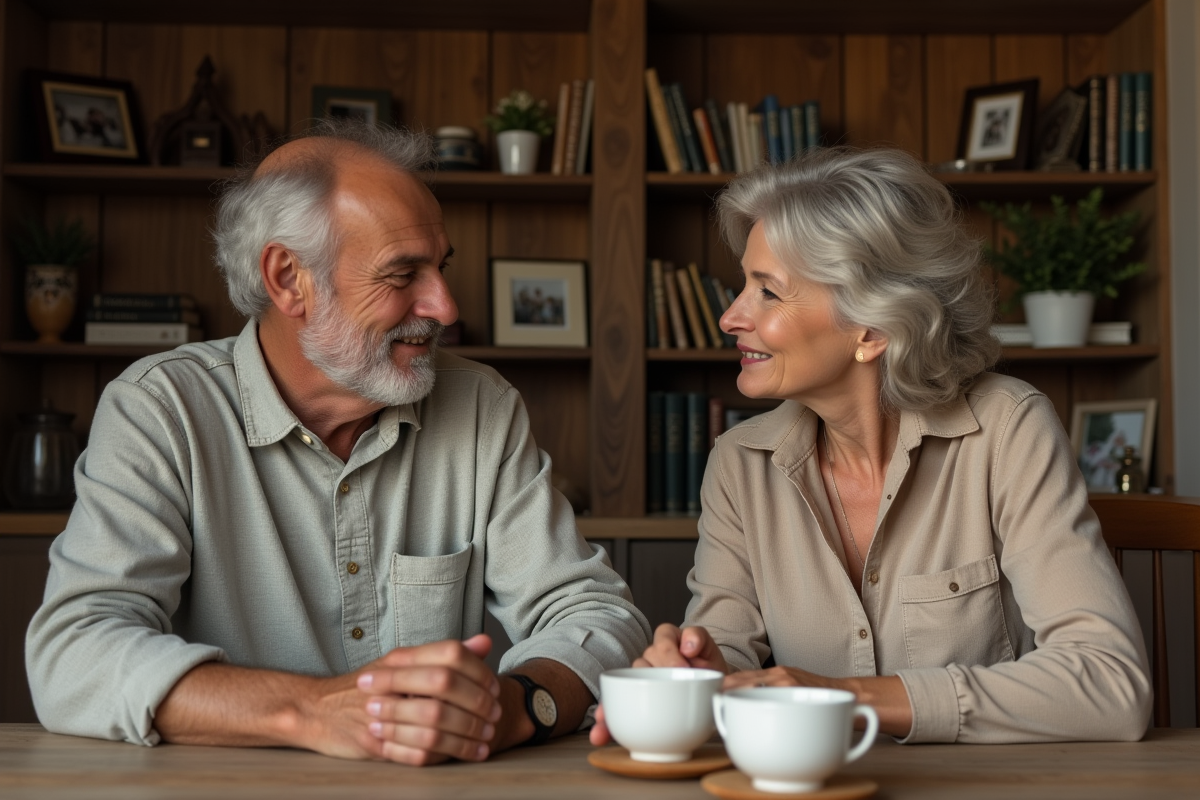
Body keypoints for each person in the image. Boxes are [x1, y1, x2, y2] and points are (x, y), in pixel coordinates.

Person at [27, 119, 650, 764]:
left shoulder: (483, 408)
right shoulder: (161, 410)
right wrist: (315, 712)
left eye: (440, 267)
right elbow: (74, 653)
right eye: (402, 274)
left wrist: (517, 708)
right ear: (288, 278)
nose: (445, 306)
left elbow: (598, 616)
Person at [592, 146, 1151, 745]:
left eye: (768, 293)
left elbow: (1111, 683)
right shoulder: (739, 463)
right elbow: (727, 648)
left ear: (873, 329)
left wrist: (845, 699)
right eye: (742, 286)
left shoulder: (1008, 429)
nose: (730, 317)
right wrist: (699, 674)